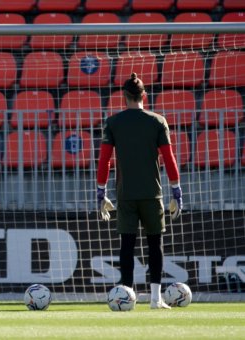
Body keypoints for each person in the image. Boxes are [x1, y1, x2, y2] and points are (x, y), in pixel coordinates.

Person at [96, 73, 183, 310]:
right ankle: (156, 299)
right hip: (152, 194)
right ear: (144, 95)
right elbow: (169, 158)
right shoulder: (157, 121)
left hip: (125, 194)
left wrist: (101, 192)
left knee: (127, 244)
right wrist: (176, 191)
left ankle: (126, 297)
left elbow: (104, 161)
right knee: (155, 244)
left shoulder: (113, 122)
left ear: (124, 97)